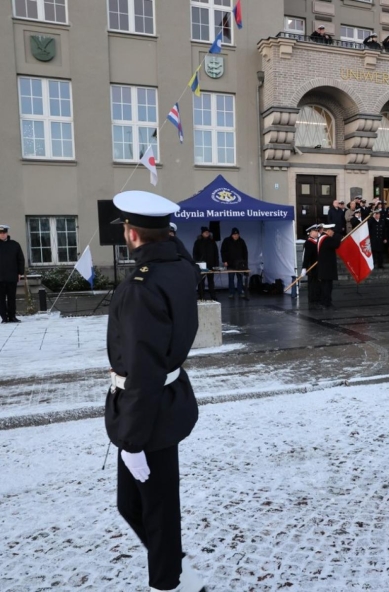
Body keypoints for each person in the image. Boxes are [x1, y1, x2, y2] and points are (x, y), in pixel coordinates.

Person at [105, 190, 206, 592]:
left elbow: (144, 370)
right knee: (135, 504)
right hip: (163, 401)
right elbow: (173, 246)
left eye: (127, 228)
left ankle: (169, 582)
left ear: (131, 234)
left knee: (156, 509)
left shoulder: (142, 287)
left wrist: (131, 440)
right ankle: (174, 566)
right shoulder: (180, 264)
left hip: (147, 411)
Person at [0, 225, 24, 323]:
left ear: (7, 233)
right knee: (0, 299)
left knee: (11, 298)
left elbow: (20, 259)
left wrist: (20, 273)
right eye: (0, 233)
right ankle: (4, 317)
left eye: (4, 233)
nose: (2, 235)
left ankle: (12, 316)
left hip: (11, 276)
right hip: (0, 278)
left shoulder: (15, 245)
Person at [316, 224, 341, 308]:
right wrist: (338, 236)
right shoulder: (326, 239)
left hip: (324, 266)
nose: (333, 233)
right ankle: (327, 302)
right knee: (327, 286)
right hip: (327, 267)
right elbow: (336, 244)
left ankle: (324, 301)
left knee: (324, 285)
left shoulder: (321, 238)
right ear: (328, 231)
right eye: (332, 231)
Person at [221, 227, 249, 300]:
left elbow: (245, 253)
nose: (236, 236)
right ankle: (231, 293)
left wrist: (245, 263)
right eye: (234, 234)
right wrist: (224, 261)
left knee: (240, 278)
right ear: (232, 235)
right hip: (230, 264)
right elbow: (223, 251)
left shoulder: (242, 241)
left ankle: (240, 292)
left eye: (237, 234)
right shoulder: (226, 241)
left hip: (240, 265)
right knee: (231, 278)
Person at [192, 227, 219, 301]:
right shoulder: (198, 242)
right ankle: (201, 295)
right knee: (201, 281)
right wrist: (196, 263)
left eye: (208, 232)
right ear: (202, 233)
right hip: (201, 265)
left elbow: (216, 254)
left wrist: (216, 264)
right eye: (205, 232)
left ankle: (212, 296)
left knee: (211, 281)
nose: (207, 233)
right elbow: (195, 253)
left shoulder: (212, 242)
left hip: (211, 264)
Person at [300, 224, 322, 304]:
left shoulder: (317, 241)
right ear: (310, 232)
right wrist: (304, 267)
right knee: (313, 283)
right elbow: (306, 256)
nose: (317, 233)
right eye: (315, 231)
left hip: (318, 266)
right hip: (312, 266)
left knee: (318, 283)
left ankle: (317, 297)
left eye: (317, 231)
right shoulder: (309, 243)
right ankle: (313, 298)